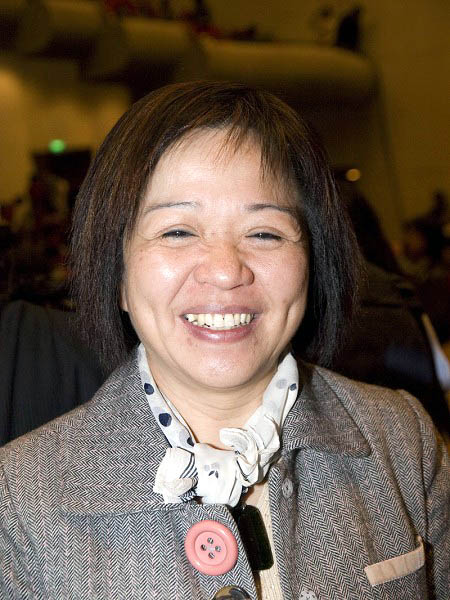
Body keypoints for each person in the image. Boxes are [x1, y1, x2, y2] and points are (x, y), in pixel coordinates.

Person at [0, 82, 448, 599]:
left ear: (313, 262)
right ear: (116, 273)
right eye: (177, 231)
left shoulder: (403, 438)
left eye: (264, 233)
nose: (225, 270)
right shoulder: (20, 501)